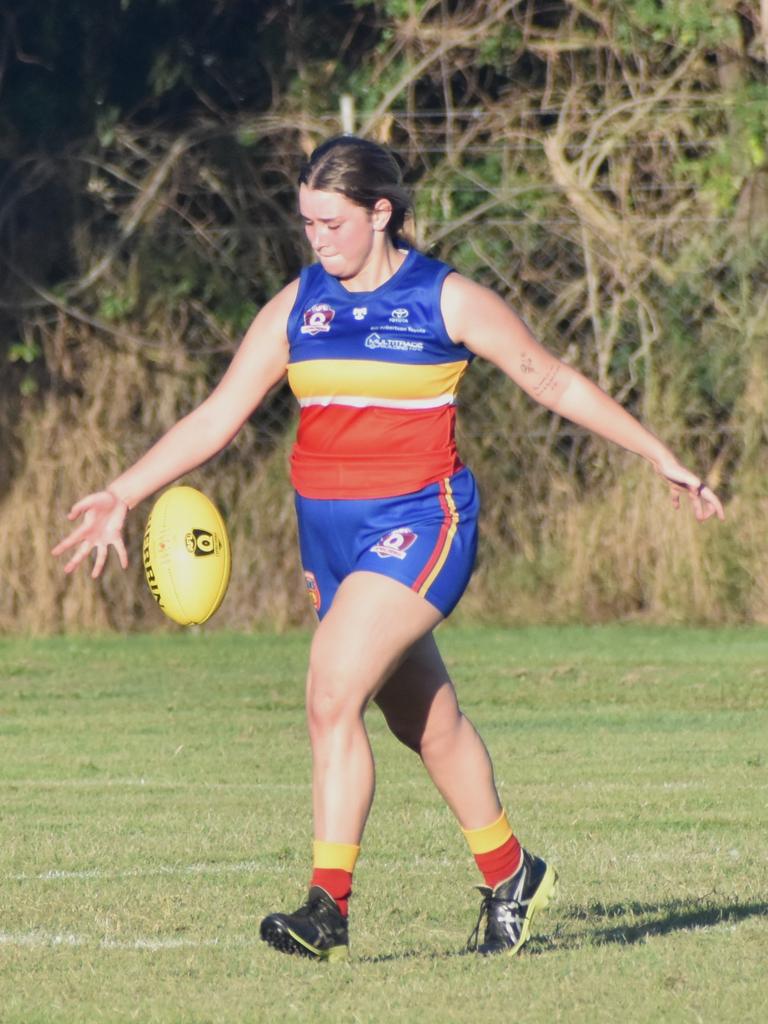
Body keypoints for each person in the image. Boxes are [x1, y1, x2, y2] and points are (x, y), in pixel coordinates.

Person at [53, 135, 725, 962]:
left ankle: (326, 909)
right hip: (328, 540)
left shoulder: (445, 299)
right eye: (306, 222)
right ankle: (512, 873)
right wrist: (122, 493)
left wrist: (660, 455)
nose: (318, 239)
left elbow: (552, 380)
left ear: (381, 213)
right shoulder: (298, 305)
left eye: (332, 222)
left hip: (422, 523)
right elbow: (218, 415)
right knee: (423, 721)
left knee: (331, 694)